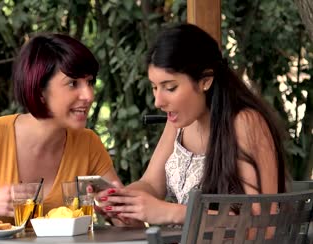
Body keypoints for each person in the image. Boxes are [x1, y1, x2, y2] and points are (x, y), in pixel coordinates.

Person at [97, 23, 289, 226]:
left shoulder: (245, 123)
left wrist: (174, 213)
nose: (158, 102)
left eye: (170, 87)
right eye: (154, 87)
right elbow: (152, 184)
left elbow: (263, 223)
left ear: (205, 80)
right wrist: (121, 201)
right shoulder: (179, 122)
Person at [0, 33, 122, 227]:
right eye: (73, 83)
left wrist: (116, 211)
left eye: (90, 82)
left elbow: (129, 221)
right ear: (40, 91)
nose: (88, 95)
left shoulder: (88, 143)